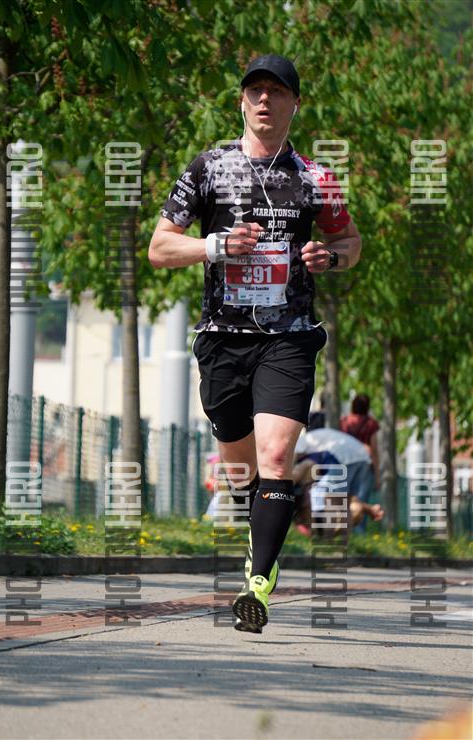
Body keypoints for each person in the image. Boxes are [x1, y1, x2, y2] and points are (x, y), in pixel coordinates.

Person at [149, 53, 362, 633]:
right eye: (255, 91)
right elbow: (160, 247)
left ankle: (258, 584)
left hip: (289, 337)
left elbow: (350, 242)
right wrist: (216, 246)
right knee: (242, 468)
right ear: (242, 102)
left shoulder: (316, 178)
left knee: (275, 457)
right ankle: (258, 532)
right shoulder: (209, 168)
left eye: (277, 91)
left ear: (295, 103)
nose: (265, 100)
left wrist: (330, 257)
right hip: (222, 338)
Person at [292, 430, 384, 536]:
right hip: (361, 456)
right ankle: (356, 532)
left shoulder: (301, 446)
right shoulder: (314, 450)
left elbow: (293, 471)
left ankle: (338, 533)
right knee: (348, 500)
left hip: (342, 457)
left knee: (334, 501)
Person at [340, 394, 380, 531]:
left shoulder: (344, 421)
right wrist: (377, 475)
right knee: (362, 498)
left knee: (346, 497)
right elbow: (374, 450)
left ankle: (344, 528)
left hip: (346, 463)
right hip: (364, 463)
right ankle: (359, 531)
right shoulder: (371, 424)